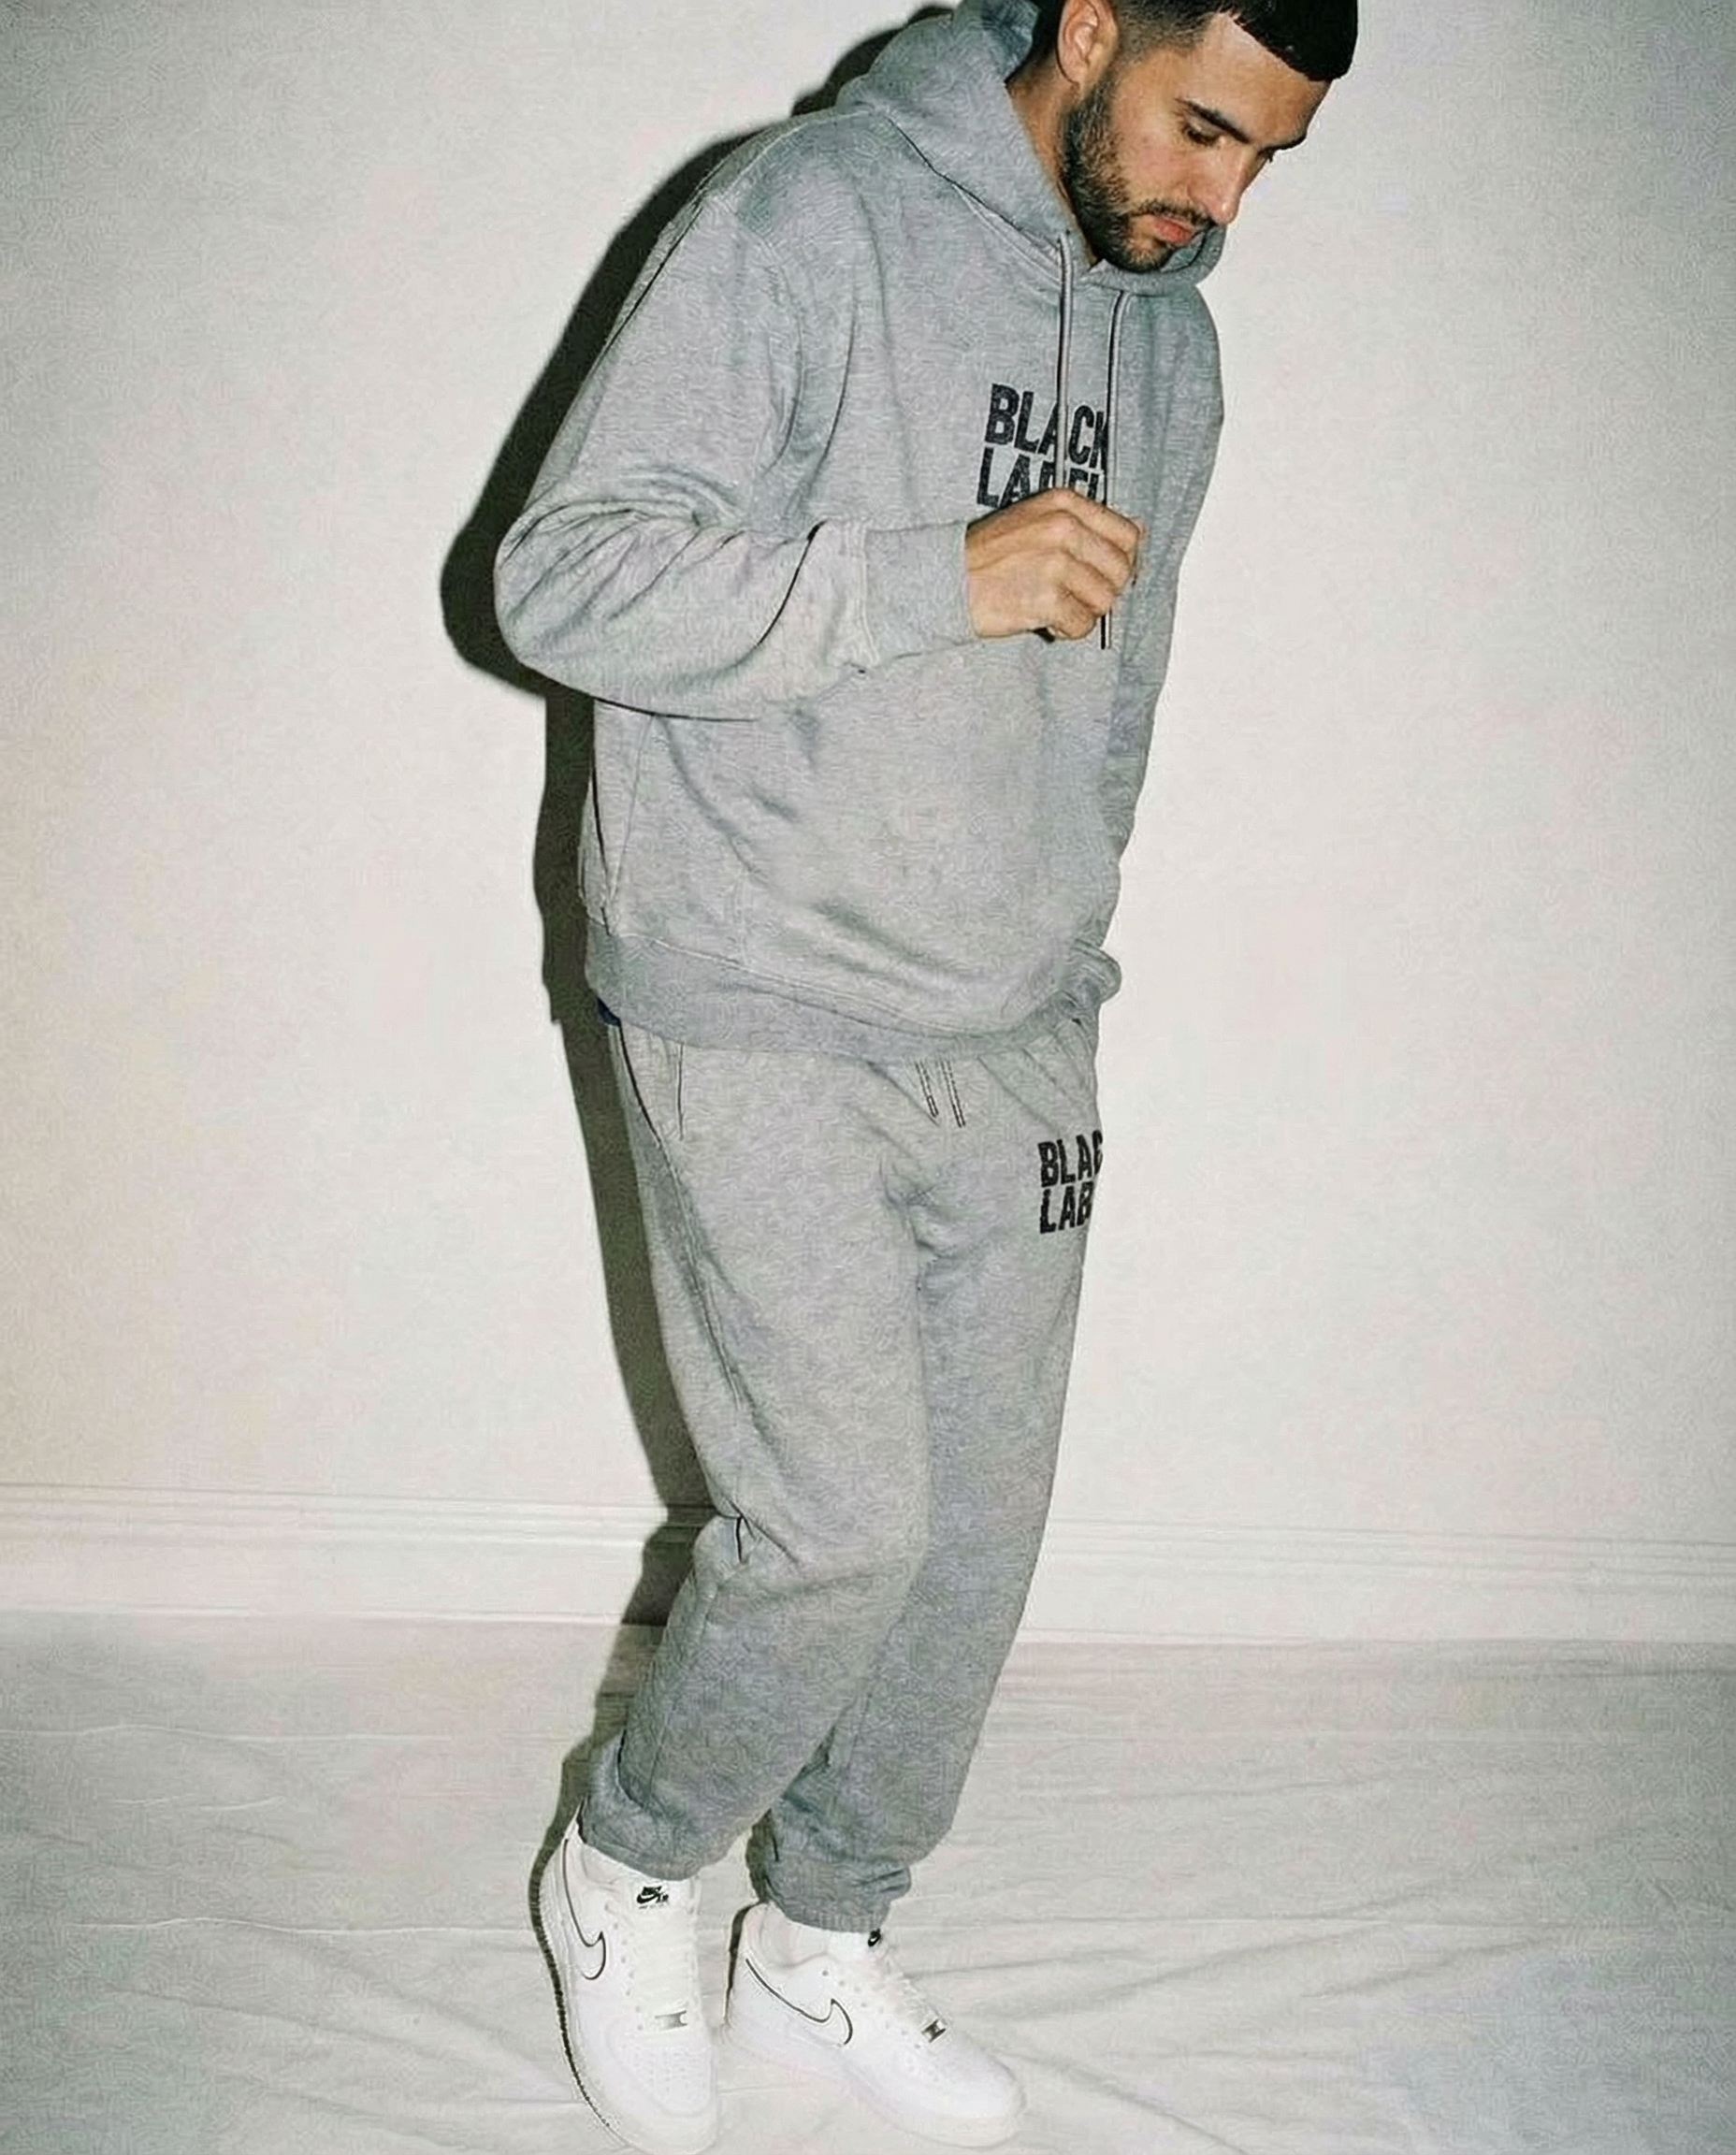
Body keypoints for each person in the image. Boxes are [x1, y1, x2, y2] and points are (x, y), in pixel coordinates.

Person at [495, 1, 1353, 2147]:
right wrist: (922, 580)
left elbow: (1112, 695)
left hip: (1017, 1022)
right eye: (1202, 128)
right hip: (760, 992)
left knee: (972, 1544)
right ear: (1092, 27)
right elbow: (558, 579)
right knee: (835, 1533)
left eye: (1264, 158)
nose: (1221, 198)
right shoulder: (801, 220)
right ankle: (625, 1870)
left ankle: (822, 1935)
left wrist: (1066, 945)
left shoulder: (1169, 343)